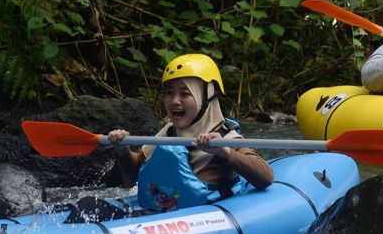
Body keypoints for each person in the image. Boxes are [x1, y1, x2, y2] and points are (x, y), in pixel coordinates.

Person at [106, 54, 273, 214]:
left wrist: (225, 152)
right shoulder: (169, 132)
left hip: (202, 219)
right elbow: (135, 173)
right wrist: (123, 150)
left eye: (185, 93)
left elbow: (265, 178)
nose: (174, 101)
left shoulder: (226, 138)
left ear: (206, 97)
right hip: (163, 209)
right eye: (170, 92)